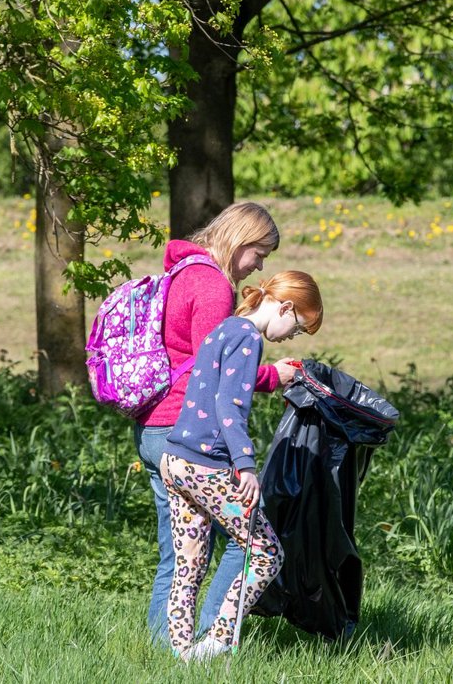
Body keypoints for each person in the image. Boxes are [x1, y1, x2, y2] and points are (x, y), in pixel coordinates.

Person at [133, 202, 297, 644]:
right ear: (241, 240)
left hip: (152, 427)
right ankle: (211, 640)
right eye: (259, 253)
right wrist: (271, 377)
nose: (259, 265)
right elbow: (217, 369)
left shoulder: (183, 271)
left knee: (180, 553)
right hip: (184, 429)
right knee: (248, 541)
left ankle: (166, 651)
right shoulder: (212, 286)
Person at [160, 270, 324, 661]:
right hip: (207, 467)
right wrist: (245, 465)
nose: (289, 337)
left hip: (175, 460)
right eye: (297, 327)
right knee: (267, 553)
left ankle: (182, 656)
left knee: (189, 567)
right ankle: (217, 642)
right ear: (285, 307)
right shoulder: (248, 338)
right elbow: (228, 405)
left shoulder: (225, 327)